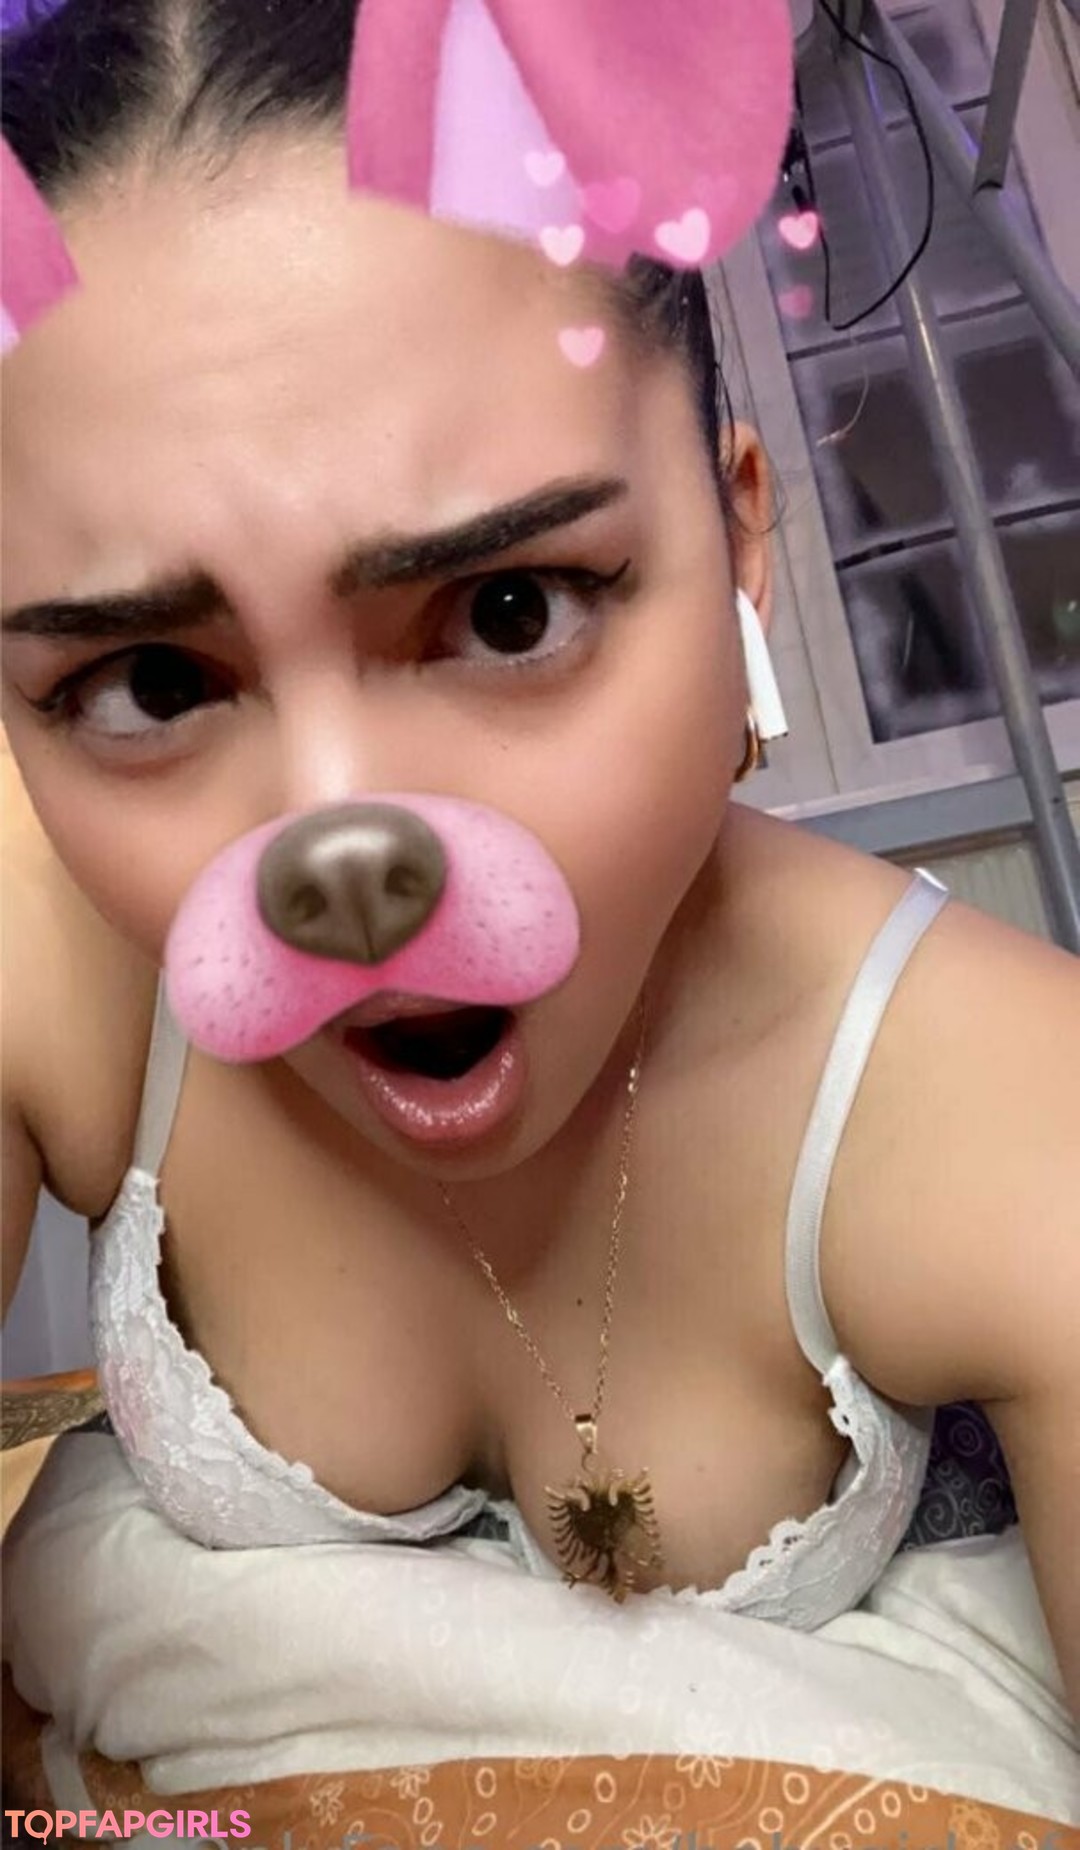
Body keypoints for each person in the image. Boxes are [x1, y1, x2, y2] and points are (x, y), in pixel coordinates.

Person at [1, 0, 1077, 1714]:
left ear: (738, 533)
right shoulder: (45, 926)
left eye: (512, 611)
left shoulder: (1013, 1098)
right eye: (149, 684)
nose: (339, 852)